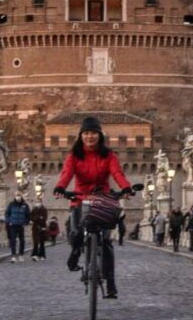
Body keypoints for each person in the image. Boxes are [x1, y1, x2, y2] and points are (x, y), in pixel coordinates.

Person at [53, 116, 133, 299]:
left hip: (102, 199)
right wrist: (60, 187)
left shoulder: (108, 155)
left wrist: (126, 187)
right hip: (79, 198)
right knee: (75, 233)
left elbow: (117, 173)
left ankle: (110, 283)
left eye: (94, 133)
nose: (90, 136)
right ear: (81, 136)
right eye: (86, 133)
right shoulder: (74, 156)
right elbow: (66, 174)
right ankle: (75, 252)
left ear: (100, 135)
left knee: (106, 241)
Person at [5, 192, 30, 262]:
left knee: (22, 240)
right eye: (16, 196)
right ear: (15, 196)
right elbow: (7, 214)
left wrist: (26, 222)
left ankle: (21, 255)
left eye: (19, 196)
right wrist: (9, 221)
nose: (18, 197)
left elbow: (28, 215)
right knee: (13, 240)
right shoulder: (11, 204)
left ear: (21, 196)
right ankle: (13, 255)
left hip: (21, 225)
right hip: (13, 225)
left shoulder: (25, 205)